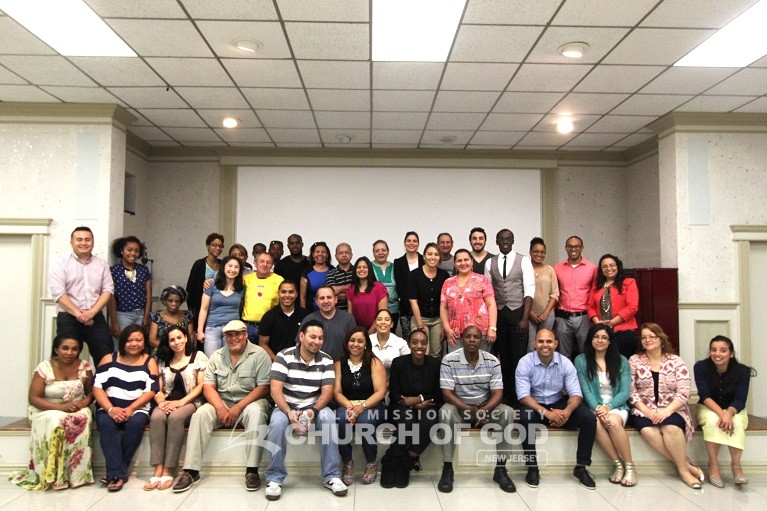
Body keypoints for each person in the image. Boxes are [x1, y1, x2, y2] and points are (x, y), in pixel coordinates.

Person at [172, 320, 272, 493]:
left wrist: (238, 408)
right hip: (223, 402)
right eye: (229, 335)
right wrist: (219, 408)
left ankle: (252, 471)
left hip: (249, 402)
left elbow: (263, 387)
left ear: (245, 334)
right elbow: (208, 386)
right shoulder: (217, 356)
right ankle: (191, 471)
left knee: (256, 412)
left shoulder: (259, 354)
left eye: (238, 334)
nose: (234, 338)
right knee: (201, 413)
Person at [264, 320, 348, 500]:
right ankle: (275, 478)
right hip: (286, 406)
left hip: (315, 407)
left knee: (328, 418)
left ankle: (331, 476)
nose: (316, 342)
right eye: (312, 337)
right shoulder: (284, 356)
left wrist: (313, 411)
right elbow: (275, 389)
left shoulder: (326, 359)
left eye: (320, 338)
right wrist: (289, 412)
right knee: (277, 423)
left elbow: (327, 391)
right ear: (301, 336)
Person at [436, 326, 516, 494]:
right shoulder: (449, 360)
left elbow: (498, 393)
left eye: (476, 337)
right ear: (461, 339)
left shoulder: (492, 360)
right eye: (468, 336)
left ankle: (500, 469)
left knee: (507, 412)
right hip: (460, 408)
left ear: (482, 340)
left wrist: (483, 410)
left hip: (485, 408)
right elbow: (447, 394)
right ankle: (448, 469)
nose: (472, 340)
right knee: (445, 411)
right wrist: (470, 410)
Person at [515, 328, 597, 489]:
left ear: (556, 344)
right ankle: (532, 468)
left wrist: (566, 412)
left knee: (588, 418)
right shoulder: (525, 362)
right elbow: (523, 396)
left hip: (558, 404)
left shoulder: (565, 363)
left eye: (549, 341)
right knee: (524, 418)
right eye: (541, 341)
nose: (545, 345)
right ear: (534, 343)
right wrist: (546, 413)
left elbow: (576, 394)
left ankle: (581, 467)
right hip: (534, 405)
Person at [10, 333, 94, 490]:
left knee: (85, 416)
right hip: (46, 408)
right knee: (57, 419)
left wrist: (83, 403)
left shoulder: (84, 366)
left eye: (74, 349)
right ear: (56, 350)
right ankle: (53, 475)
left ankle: (76, 476)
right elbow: (33, 398)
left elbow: (91, 393)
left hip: (77, 407)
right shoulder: (45, 367)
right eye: (65, 348)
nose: (69, 352)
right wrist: (62, 408)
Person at [629, 323, 702, 489]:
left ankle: (683, 471)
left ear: (661, 339)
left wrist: (666, 411)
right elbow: (631, 391)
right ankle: (686, 466)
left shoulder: (676, 361)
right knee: (648, 431)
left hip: (672, 408)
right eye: (644, 337)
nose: (647, 340)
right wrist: (647, 411)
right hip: (643, 409)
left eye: (652, 336)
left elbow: (684, 392)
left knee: (671, 429)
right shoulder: (634, 361)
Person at [92, 325, 159, 492]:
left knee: (135, 424)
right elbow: (96, 387)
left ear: (144, 342)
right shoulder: (109, 358)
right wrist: (110, 409)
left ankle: (114, 473)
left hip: (137, 408)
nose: (134, 344)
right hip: (109, 407)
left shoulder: (150, 361)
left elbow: (152, 389)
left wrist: (131, 408)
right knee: (105, 424)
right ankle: (118, 473)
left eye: (138, 340)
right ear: (122, 341)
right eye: (129, 340)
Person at [146, 326, 208, 491]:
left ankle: (169, 469)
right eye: (172, 340)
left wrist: (181, 402)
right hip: (167, 401)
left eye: (179, 338)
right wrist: (161, 402)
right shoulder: (162, 360)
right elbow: (157, 387)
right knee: (156, 417)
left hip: (191, 402)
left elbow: (201, 385)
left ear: (186, 338)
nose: (176, 342)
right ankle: (158, 468)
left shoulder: (198, 356)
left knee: (175, 418)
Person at [575, 324, 636, 486]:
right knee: (594, 423)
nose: (599, 340)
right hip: (593, 405)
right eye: (596, 337)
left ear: (610, 341)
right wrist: (598, 409)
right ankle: (618, 464)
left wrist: (608, 407)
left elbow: (624, 392)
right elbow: (585, 390)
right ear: (590, 339)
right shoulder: (581, 360)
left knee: (613, 423)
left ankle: (630, 466)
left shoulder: (621, 361)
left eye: (604, 338)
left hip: (616, 405)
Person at [380, 329, 440, 488]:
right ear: (409, 344)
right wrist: (412, 404)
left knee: (429, 421)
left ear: (427, 345)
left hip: (427, 404)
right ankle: (392, 460)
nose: (419, 346)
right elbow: (394, 393)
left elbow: (437, 393)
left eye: (423, 343)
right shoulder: (399, 363)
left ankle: (407, 460)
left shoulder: (435, 364)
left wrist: (418, 400)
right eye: (415, 342)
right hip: (400, 405)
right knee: (407, 421)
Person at [49, 226, 114, 364]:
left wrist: (91, 313)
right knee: (67, 358)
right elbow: (59, 294)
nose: (83, 243)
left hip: (95, 317)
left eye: (87, 240)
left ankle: (102, 380)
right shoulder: (60, 264)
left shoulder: (102, 264)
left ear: (93, 242)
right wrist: (80, 315)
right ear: (71, 242)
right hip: (68, 317)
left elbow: (108, 290)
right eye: (79, 239)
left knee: (106, 357)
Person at [694, 335, 751, 488]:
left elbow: (740, 399)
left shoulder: (743, 371)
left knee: (736, 423)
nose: (717, 354)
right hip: (708, 407)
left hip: (735, 409)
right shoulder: (701, 367)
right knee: (713, 422)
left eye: (723, 350)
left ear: (731, 353)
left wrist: (729, 413)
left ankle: (736, 466)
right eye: (713, 350)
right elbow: (704, 396)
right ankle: (713, 465)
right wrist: (722, 414)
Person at [485, 229, 534, 404]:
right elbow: (488, 291)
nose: (505, 241)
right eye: (501, 239)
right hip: (499, 314)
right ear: (496, 242)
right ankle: (506, 396)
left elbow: (529, 290)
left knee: (518, 358)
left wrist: (524, 319)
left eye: (508, 239)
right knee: (503, 357)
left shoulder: (524, 260)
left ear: (512, 240)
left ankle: (520, 396)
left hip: (518, 313)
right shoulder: (490, 262)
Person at [334, 327, 387, 485]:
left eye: (360, 341)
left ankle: (371, 462)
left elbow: (380, 391)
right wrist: (350, 406)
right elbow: (336, 392)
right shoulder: (339, 364)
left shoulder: (374, 362)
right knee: (341, 418)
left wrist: (362, 406)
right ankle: (347, 461)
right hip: (347, 404)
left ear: (366, 344)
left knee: (365, 421)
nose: (355, 344)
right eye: (352, 340)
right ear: (346, 343)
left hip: (373, 405)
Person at [440, 249, 497, 353]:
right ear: (455, 264)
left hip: (479, 333)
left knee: (481, 361)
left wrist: (492, 328)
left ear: (472, 261)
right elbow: (444, 308)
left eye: (466, 260)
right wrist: (447, 330)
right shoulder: (448, 282)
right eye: (459, 261)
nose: (463, 263)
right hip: (455, 334)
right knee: (456, 362)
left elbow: (491, 304)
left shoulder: (482, 280)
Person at [587, 254, 639, 359]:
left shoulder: (629, 282)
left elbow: (632, 307)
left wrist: (611, 323)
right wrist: (598, 323)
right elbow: (590, 306)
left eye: (612, 265)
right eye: (604, 266)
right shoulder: (596, 285)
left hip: (624, 332)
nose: (609, 268)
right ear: (601, 270)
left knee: (622, 362)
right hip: (601, 332)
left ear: (617, 266)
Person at [554, 235, 597, 359]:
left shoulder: (592, 268)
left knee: (587, 354)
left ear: (582, 248)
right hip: (563, 317)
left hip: (584, 317)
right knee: (563, 355)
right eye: (570, 246)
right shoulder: (557, 268)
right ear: (566, 248)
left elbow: (595, 292)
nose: (573, 249)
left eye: (577, 246)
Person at [196, 255, 244, 357]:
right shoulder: (211, 285)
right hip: (212, 329)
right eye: (230, 266)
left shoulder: (242, 288)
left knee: (230, 361)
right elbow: (204, 309)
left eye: (236, 267)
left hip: (233, 330)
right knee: (212, 360)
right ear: (223, 267)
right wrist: (200, 331)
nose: (232, 270)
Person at [408, 243, 449, 357]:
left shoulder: (444, 275)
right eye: (430, 254)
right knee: (422, 352)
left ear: (440, 257)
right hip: (420, 319)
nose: (433, 257)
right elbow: (413, 302)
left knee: (436, 353)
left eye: (436, 254)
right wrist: (420, 325)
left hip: (438, 320)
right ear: (424, 256)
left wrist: (444, 325)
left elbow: (446, 303)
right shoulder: (414, 275)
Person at [107, 236, 152, 338]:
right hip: (122, 315)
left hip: (141, 315)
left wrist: (146, 316)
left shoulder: (143, 270)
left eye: (137, 251)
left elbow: (148, 294)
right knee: (122, 344)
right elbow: (111, 297)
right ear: (121, 251)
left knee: (139, 343)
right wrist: (114, 322)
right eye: (129, 250)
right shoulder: (113, 271)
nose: (133, 253)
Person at [297, 286, 357, 361]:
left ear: (335, 299)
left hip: (342, 365)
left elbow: (355, 345)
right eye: (322, 298)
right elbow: (299, 346)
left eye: (329, 297)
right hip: (315, 365)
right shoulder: (308, 320)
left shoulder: (348, 319)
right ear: (316, 302)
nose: (326, 301)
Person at [258, 280, 309, 361]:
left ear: (296, 294)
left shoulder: (305, 316)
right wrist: (277, 360)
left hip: (300, 361)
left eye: (291, 292)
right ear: (278, 293)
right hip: (275, 361)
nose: (287, 295)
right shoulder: (269, 316)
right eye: (283, 292)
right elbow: (263, 343)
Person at [242, 252, 283, 343]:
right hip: (248, 326)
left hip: (269, 326)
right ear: (255, 263)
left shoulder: (279, 280)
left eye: (268, 262)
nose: (265, 264)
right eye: (262, 261)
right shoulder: (245, 279)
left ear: (272, 265)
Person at [186, 233, 224, 330]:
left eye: (220, 246)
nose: (218, 248)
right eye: (214, 245)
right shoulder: (199, 264)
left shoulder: (223, 265)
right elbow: (190, 289)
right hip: (201, 307)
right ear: (207, 246)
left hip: (218, 309)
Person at [528, 237, 559, 350]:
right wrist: (530, 313)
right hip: (528, 315)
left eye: (542, 252)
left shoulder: (550, 270)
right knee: (531, 347)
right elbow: (520, 293)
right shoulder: (525, 269)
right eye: (536, 251)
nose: (539, 254)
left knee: (545, 346)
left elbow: (555, 293)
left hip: (547, 314)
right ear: (530, 252)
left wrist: (545, 313)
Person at [393, 231, 424, 338]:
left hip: (424, 308)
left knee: (423, 340)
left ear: (418, 244)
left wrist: (419, 305)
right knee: (408, 339)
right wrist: (411, 306)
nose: (411, 243)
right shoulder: (398, 262)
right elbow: (400, 287)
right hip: (405, 309)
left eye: (414, 241)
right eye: (409, 240)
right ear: (404, 243)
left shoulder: (425, 260)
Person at [346, 256, 388, 331]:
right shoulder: (351, 289)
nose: (361, 269)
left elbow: (382, 316)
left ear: (370, 270)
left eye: (365, 267)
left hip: (376, 331)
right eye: (358, 267)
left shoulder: (379, 288)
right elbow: (350, 315)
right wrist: (357, 334)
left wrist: (369, 334)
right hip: (357, 332)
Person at [149, 285, 194, 354]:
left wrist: (179, 349)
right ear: (165, 301)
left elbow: (191, 337)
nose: (173, 304)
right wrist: (170, 349)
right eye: (170, 301)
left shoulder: (187, 316)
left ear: (181, 302)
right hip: (162, 352)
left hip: (182, 351)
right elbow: (152, 340)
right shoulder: (156, 316)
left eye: (177, 301)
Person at [370, 309, 410, 374]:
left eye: (387, 319)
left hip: (395, 379)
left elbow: (408, 366)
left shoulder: (401, 343)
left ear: (392, 324)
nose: (383, 322)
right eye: (379, 319)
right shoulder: (367, 341)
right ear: (375, 323)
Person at [371, 239, 400, 329]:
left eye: (383, 250)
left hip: (394, 310)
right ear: (373, 253)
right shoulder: (368, 267)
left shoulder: (395, 267)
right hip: (375, 310)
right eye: (377, 251)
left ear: (388, 252)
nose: (380, 253)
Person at [300, 241, 332, 311]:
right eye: (317, 252)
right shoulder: (306, 272)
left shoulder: (333, 270)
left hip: (331, 311)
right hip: (311, 311)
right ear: (313, 255)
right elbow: (302, 297)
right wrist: (303, 314)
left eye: (323, 252)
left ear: (327, 255)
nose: (320, 254)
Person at [326, 243, 354, 310]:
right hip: (338, 313)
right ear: (336, 256)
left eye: (347, 252)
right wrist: (352, 288)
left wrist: (339, 289)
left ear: (351, 255)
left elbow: (362, 292)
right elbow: (331, 294)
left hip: (357, 312)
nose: (344, 255)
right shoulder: (331, 274)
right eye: (340, 253)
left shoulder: (358, 272)